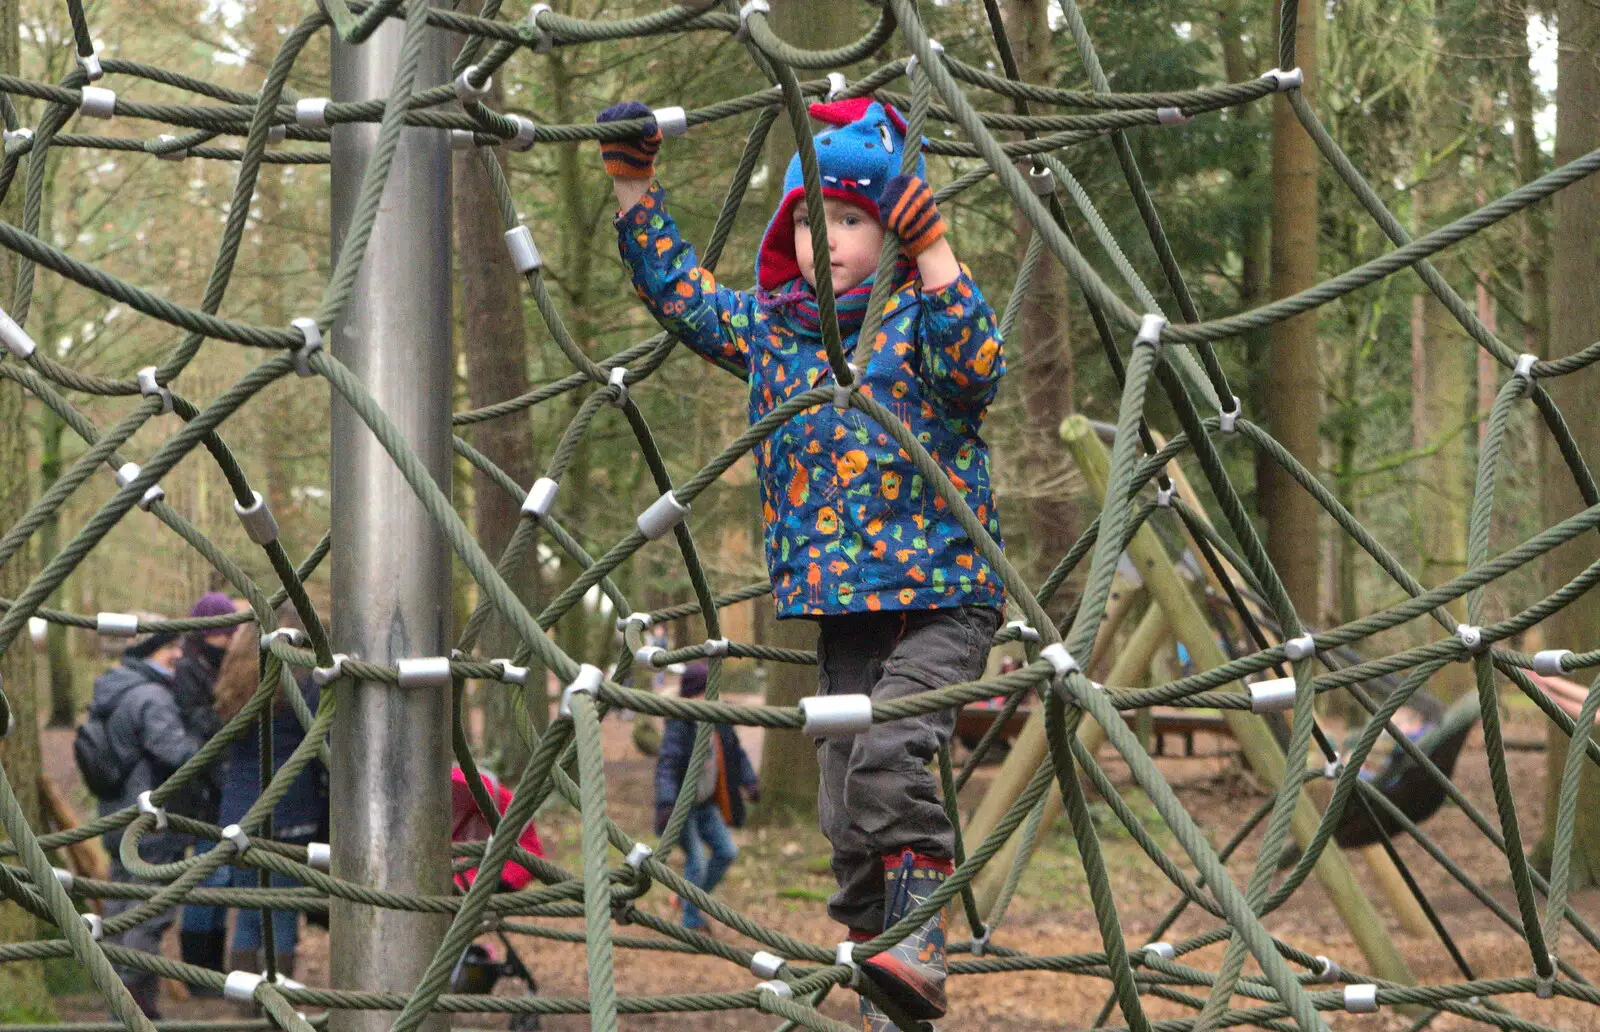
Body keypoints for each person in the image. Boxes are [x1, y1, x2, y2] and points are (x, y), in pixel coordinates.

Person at [601, 96, 1004, 1027]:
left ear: (895, 230)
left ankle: (922, 937)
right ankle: (878, 972)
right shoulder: (775, 331)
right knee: (842, 801)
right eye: (811, 219)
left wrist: (935, 248)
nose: (828, 238)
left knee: (893, 756)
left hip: (945, 597)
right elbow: (680, 294)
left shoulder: (917, 321)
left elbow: (981, 366)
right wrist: (634, 187)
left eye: (852, 219)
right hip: (845, 608)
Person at [90, 627, 200, 1018]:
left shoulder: (114, 689)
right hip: (148, 823)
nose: (178, 656)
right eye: (171, 648)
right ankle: (139, 1008)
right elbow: (174, 751)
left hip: (116, 815)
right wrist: (206, 738)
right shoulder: (151, 697)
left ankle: (117, 997)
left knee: (121, 906)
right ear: (152, 652)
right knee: (148, 910)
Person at [211, 618, 328, 984]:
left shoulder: (234, 682)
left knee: (248, 912)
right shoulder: (305, 683)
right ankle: (274, 1009)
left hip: (239, 810)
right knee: (280, 914)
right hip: (289, 810)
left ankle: (249, 1005)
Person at [652, 662, 759, 933]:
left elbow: (736, 753)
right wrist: (666, 803)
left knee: (726, 852)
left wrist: (749, 780)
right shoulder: (680, 725)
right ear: (691, 696)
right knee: (696, 861)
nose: (708, 697)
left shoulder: (718, 720)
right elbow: (667, 764)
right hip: (682, 808)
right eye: (702, 692)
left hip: (706, 805)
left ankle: (687, 899)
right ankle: (691, 920)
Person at [172, 591, 239, 986]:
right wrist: (223, 717)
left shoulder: (222, 665)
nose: (228, 641)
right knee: (206, 877)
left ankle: (213, 965)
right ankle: (198, 970)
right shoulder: (189, 669)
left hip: (223, 784)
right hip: (201, 788)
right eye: (221, 634)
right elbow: (192, 718)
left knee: (224, 878)